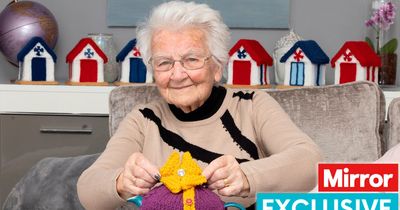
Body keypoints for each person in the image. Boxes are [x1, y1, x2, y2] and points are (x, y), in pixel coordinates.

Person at [77, 1, 322, 209]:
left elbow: (310, 161)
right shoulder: (143, 119)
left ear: (217, 66)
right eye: (164, 63)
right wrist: (122, 182)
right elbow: (88, 188)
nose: (177, 74)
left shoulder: (251, 105)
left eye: (191, 59)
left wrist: (246, 176)